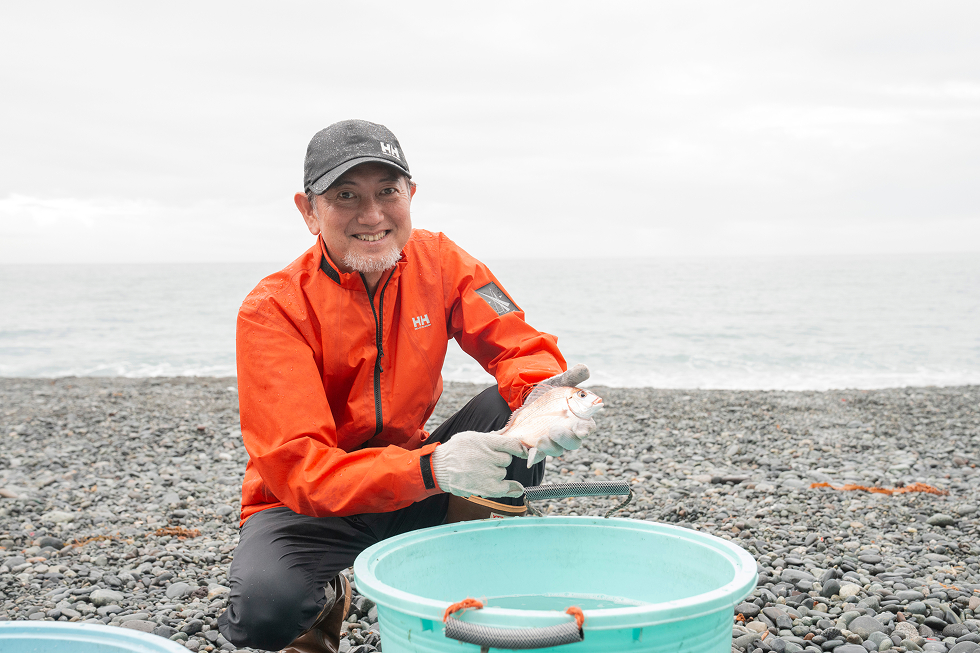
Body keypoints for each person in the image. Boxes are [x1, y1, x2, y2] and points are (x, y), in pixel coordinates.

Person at [217, 119, 596, 652]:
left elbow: (517, 343)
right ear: (308, 212)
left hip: (413, 479)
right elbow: (299, 466)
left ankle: (465, 577)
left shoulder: (442, 262)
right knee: (264, 612)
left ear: (410, 195)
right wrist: (432, 466)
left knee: (506, 410)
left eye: (387, 192)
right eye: (345, 195)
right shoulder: (273, 309)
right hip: (306, 506)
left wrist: (547, 398)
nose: (371, 215)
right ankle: (325, 602)